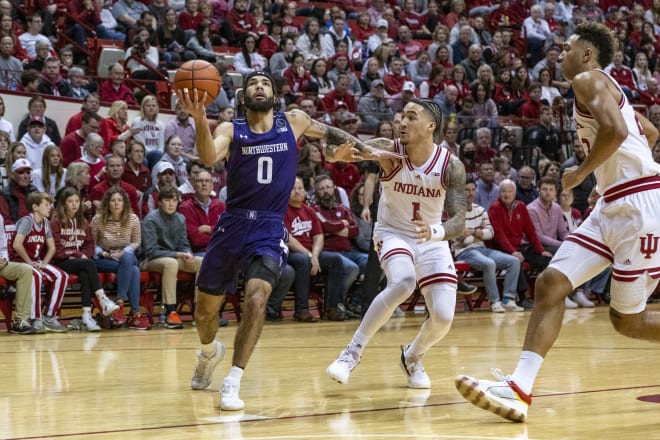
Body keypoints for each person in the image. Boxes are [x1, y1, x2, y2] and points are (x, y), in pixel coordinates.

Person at [455, 22, 660, 423]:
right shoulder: (604, 87)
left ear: (586, 54)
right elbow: (645, 131)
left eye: (566, 48)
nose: (558, 53)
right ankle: (519, 388)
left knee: (627, 320)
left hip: (639, 209)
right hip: (616, 204)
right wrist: (614, 177)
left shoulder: (587, 78)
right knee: (551, 282)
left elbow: (618, 131)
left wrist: (583, 173)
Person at [177, 70, 395, 411]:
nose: (259, 87)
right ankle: (208, 352)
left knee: (256, 297)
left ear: (274, 94)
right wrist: (201, 119)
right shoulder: (231, 129)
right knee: (205, 313)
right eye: (252, 83)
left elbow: (333, 133)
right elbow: (208, 158)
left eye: (265, 82)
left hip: (268, 227)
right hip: (232, 224)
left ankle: (233, 380)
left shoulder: (293, 121)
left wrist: (359, 150)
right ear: (243, 95)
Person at [326, 98, 467, 389]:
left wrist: (436, 231)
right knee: (402, 281)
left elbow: (459, 221)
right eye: (401, 116)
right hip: (392, 233)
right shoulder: (388, 149)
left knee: (442, 317)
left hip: (431, 239)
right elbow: (344, 145)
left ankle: (412, 356)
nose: (402, 122)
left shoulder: (451, 165)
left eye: (411, 117)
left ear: (430, 126)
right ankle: (351, 353)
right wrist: (334, 155)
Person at [51, 187, 120, 331]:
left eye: (77, 201)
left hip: (81, 263)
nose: (74, 204)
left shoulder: (84, 222)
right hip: (61, 262)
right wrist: (77, 254)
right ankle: (103, 300)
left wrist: (84, 255)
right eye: (70, 201)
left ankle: (86, 316)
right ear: (63, 204)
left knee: (85, 275)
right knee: (88, 264)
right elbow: (57, 251)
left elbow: (89, 245)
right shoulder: (55, 223)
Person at [454, 180, 523, 313]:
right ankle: (494, 301)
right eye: (466, 190)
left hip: (482, 249)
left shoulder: (480, 210)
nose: (470, 193)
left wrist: (473, 232)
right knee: (489, 263)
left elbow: (490, 233)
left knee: (514, 261)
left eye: (473, 190)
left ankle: (508, 299)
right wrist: (479, 234)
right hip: (464, 252)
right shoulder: (455, 212)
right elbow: (462, 240)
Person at [140, 185, 202, 329]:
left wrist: (187, 253)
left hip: (173, 258)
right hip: (149, 260)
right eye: (167, 200)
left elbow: (184, 243)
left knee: (202, 262)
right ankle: (170, 312)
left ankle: (200, 309)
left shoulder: (180, 218)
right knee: (171, 263)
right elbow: (151, 251)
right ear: (160, 202)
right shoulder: (151, 219)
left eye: (174, 200)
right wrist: (177, 254)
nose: (171, 204)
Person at [91, 187, 149, 329]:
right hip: (105, 257)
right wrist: (103, 253)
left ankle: (120, 301)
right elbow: (91, 243)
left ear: (125, 203)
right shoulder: (98, 219)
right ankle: (134, 314)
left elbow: (136, 242)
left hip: (126, 255)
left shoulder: (133, 219)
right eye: (113, 200)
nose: (116, 203)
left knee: (128, 260)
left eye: (120, 200)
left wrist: (123, 252)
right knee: (133, 270)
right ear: (107, 203)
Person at [12, 191, 68, 333]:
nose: (50, 207)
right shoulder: (27, 221)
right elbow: (17, 244)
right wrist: (30, 263)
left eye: (50, 204)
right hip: (19, 262)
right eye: (47, 204)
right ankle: (35, 318)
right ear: (36, 207)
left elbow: (52, 248)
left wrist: (44, 263)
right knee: (35, 275)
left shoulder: (45, 223)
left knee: (62, 276)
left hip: (35, 261)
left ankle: (50, 316)